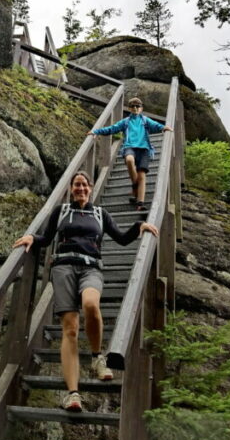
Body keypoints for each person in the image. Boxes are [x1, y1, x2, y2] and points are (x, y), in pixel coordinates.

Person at [13, 170, 158, 412]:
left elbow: (121, 239)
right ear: (71, 188)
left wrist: (139, 226)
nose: (81, 189)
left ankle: (96, 356)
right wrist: (31, 238)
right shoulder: (61, 211)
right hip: (63, 268)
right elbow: (47, 238)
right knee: (69, 328)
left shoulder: (101, 214)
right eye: (76, 185)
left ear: (91, 188)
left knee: (91, 304)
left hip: (91, 267)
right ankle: (73, 394)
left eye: (84, 185)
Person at [91, 97, 172, 212]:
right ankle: (135, 184)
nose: (135, 108)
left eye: (137, 106)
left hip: (144, 149)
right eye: (133, 106)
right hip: (129, 147)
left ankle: (140, 203)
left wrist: (164, 128)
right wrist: (96, 131)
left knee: (142, 175)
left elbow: (156, 125)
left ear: (141, 108)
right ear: (129, 108)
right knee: (129, 160)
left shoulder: (145, 120)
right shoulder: (126, 122)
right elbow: (112, 129)